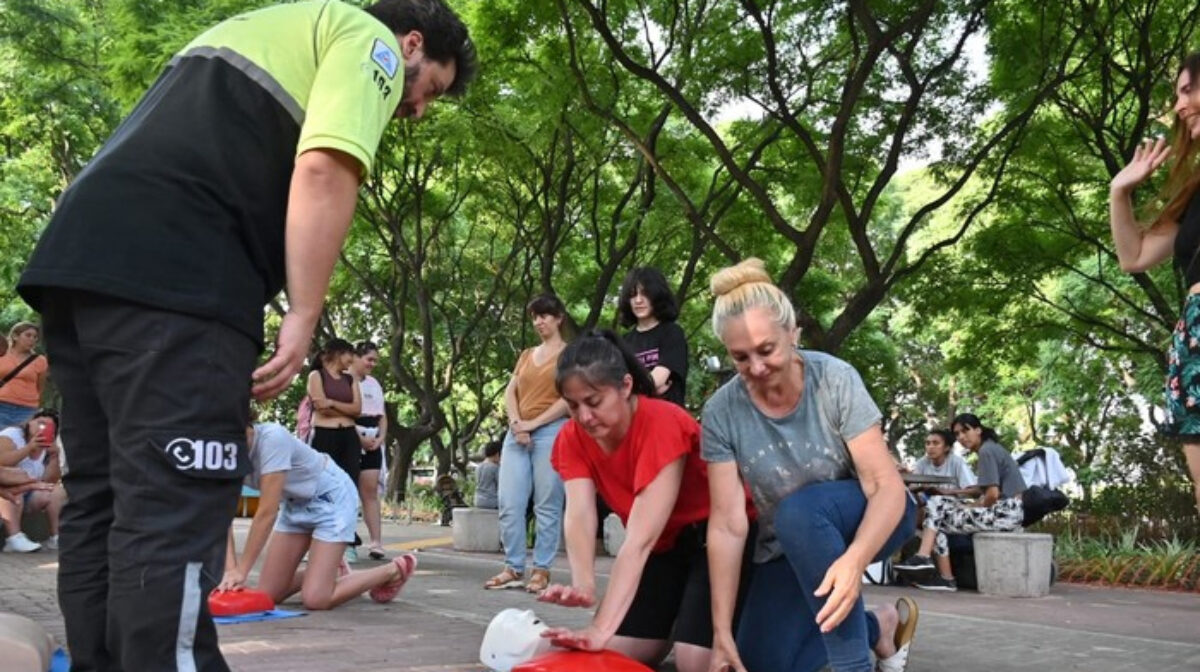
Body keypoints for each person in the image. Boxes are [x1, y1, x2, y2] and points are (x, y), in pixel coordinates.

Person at [15, 0, 475, 667]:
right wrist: (303, 314)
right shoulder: (370, 41)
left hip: (80, 268)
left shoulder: (259, 30)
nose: (418, 109)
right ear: (411, 43)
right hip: (180, 274)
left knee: (103, 502)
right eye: (428, 87)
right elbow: (325, 168)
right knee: (167, 507)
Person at [702, 258, 918, 672]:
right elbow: (728, 525)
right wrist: (720, 631)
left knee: (801, 512)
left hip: (874, 518)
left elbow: (884, 487)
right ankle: (879, 627)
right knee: (761, 663)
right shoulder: (721, 411)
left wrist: (855, 561)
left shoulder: (834, 379)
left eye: (766, 350)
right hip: (784, 549)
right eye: (741, 358)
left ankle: (851, 664)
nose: (757, 368)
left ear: (793, 333)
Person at [538, 331, 753, 672]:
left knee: (695, 662)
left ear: (625, 386)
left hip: (716, 540)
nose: (584, 417)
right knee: (601, 652)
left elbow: (639, 540)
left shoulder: (663, 422)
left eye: (594, 402)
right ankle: (673, 619)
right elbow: (579, 513)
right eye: (573, 405)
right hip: (665, 550)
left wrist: (599, 627)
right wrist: (584, 584)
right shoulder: (572, 436)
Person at [1109, 52, 1200, 514]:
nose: (1181, 105)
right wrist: (1119, 191)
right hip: (1195, 339)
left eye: (1190, 89)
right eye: (1178, 94)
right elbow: (1135, 257)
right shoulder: (1192, 191)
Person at [217, 420, 416, 610]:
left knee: (315, 599)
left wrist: (241, 571)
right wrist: (231, 569)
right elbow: (221, 513)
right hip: (295, 506)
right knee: (268, 595)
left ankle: (393, 570)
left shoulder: (272, 439)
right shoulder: (220, 453)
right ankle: (332, 570)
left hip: (331, 499)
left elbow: (266, 512)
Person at [485, 294, 571, 594]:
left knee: (547, 504)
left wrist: (533, 425)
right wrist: (516, 423)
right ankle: (513, 567)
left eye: (544, 316)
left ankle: (542, 569)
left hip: (552, 430)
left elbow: (568, 398)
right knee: (510, 503)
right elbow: (511, 391)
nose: (539, 322)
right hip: (516, 434)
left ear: (559, 318)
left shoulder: (570, 355)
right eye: (535, 317)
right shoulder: (525, 355)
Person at [894, 414, 1027, 592]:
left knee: (937, 505)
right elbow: (981, 489)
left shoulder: (986, 451)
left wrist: (972, 506)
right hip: (1007, 511)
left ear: (978, 430)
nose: (962, 437)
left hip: (1004, 512)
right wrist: (951, 492)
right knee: (935, 522)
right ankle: (946, 579)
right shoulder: (990, 449)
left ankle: (923, 557)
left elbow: (992, 495)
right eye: (957, 434)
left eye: (966, 431)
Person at [308, 338, 364, 563]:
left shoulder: (351, 379)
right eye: (350, 354)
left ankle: (348, 542)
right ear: (337, 353)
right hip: (324, 435)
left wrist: (332, 403)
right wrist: (341, 409)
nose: (352, 359)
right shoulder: (316, 376)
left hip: (349, 437)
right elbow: (319, 405)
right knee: (321, 487)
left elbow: (358, 410)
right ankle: (316, 541)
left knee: (350, 486)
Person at [618, 267, 689, 407]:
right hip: (633, 419)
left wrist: (633, 389)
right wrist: (649, 388)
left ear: (657, 296)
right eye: (633, 295)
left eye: (645, 294)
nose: (638, 300)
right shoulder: (624, 341)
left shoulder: (672, 333)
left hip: (667, 416)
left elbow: (657, 380)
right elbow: (616, 387)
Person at [0, 411, 62, 553]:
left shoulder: (48, 446)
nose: (43, 428)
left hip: (28, 496)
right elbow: (1, 462)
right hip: (6, 494)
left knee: (55, 490)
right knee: (15, 486)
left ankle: (56, 537)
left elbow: (48, 481)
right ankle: (14, 538)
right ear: (30, 422)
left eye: (49, 427)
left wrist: (54, 457)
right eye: (40, 423)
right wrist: (28, 449)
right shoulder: (12, 435)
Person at [350, 340, 388, 560]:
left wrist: (381, 437)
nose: (372, 364)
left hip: (374, 438)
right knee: (347, 491)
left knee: (370, 491)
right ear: (355, 357)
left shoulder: (374, 383)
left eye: (375, 360)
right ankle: (346, 540)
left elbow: (382, 416)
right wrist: (359, 438)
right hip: (351, 435)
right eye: (369, 359)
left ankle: (376, 542)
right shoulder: (344, 380)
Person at [0, 323, 49, 428]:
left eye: (35, 337)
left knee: (21, 442)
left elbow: (40, 388)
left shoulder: (40, 360)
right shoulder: (2, 355)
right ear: (15, 336)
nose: (32, 339)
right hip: (2, 405)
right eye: (28, 335)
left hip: (26, 410)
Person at [911, 428, 977, 495]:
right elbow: (911, 488)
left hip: (955, 503)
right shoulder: (922, 463)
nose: (930, 447)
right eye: (928, 443)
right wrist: (921, 488)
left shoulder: (957, 462)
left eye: (935, 443)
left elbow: (974, 490)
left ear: (947, 447)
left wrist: (950, 491)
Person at [474, 439, 502, 510]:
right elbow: (501, 485)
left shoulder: (478, 467)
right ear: (497, 454)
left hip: (477, 500)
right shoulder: (495, 468)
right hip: (491, 501)